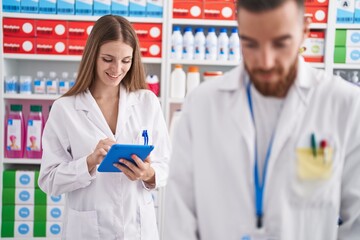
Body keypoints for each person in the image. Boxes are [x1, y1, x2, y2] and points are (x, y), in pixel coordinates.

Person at [163, 0, 360, 239]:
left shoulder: (344, 105)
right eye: (250, 44)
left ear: (304, 31)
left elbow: (356, 220)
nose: (266, 62)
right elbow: (180, 214)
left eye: (280, 43)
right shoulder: (202, 105)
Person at [38, 15, 170, 239]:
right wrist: (88, 163)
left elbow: (167, 164)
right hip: (88, 230)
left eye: (126, 61)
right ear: (93, 57)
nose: (117, 69)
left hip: (136, 228)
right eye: (108, 59)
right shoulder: (65, 109)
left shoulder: (147, 102)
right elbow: (48, 180)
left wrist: (148, 173)